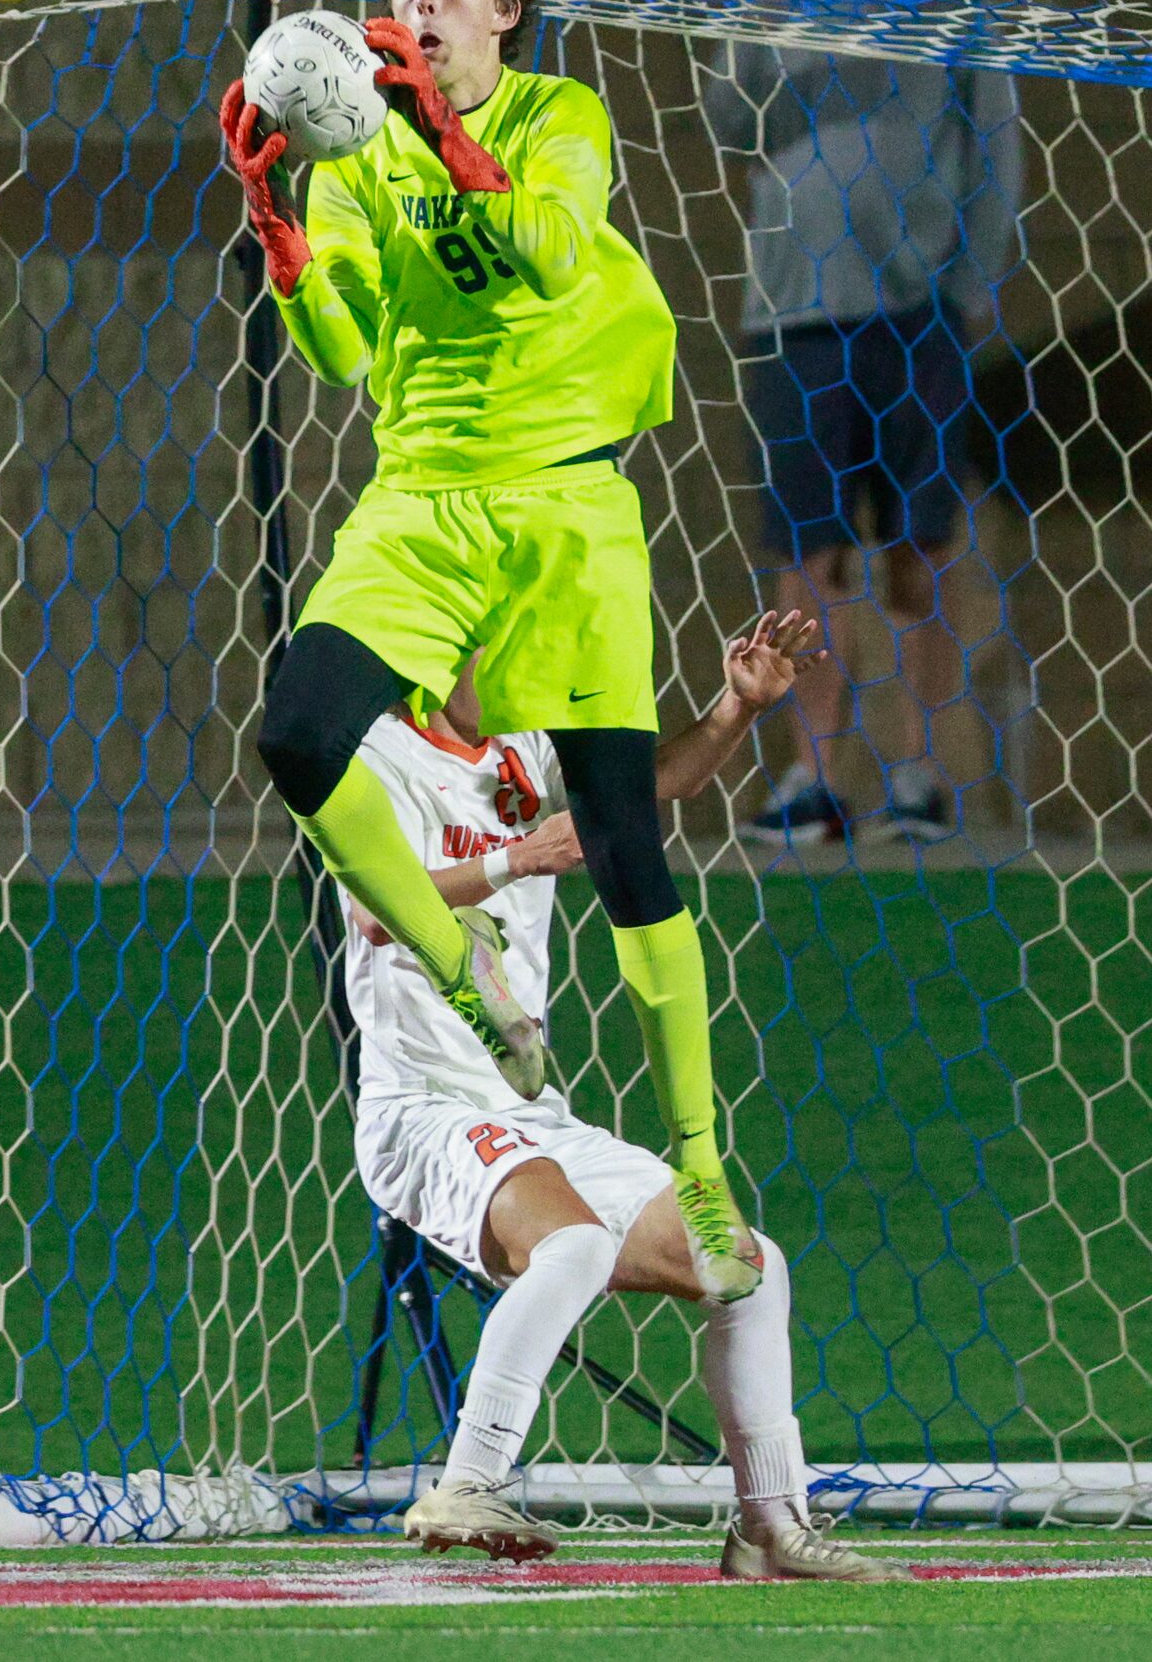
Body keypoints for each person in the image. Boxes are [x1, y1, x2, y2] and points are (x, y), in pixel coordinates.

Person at [224, 0, 759, 1300]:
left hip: (567, 505)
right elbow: (337, 352)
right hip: (422, 499)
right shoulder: (352, 157)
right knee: (293, 733)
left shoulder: (557, 120)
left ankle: (695, 1158)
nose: (419, 6)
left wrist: (442, 139)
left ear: (505, 9)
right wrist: (277, 226)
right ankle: (466, 983)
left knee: (621, 832)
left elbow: (540, 250)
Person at [347, 611, 908, 1580]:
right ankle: (464, 1484)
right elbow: (370, 902)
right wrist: (515, 859)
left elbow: (652, 787)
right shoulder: (375, 756)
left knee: (749, 1264)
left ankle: (769, 1528)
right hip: (426, 1110)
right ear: (446, 657)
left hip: (529, 1114)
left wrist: (736, 708)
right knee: (574, 1246)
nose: (533, 663)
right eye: (508, 650)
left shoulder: (530, 745)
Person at [704, 0, 1026, 845]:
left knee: (919, 550)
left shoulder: (945, 4)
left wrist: (974, 281)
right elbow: (725, 122)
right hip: (797, 311)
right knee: (809, 560)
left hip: (917, 307)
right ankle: (811, 777)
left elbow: (995, 145)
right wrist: (767, 19)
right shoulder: (765, 5)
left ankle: (921, 774)